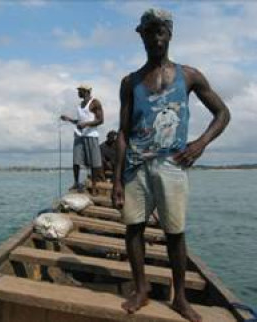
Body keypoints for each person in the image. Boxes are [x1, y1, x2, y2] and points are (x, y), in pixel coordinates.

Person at [111, 8, 230, 322]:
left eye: (160, 30)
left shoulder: (188, 75)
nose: (155, 37)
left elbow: (223, 114)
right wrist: (116, 180)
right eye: (149, 31)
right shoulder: (130, 82)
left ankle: (180, 297)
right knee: (133, 227)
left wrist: (199, 144)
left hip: (172, 165)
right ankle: (141, 289)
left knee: (175, 232)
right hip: (136, 165)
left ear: (170, 33)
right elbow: (122, 132)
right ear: (141, 36)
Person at [61, 84, 104, 194]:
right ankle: (76, 183)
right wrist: (69, 119)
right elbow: (79, 121)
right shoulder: (80, 105)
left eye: (80, 91)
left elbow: (100, 120)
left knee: (94, 162)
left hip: (91, 135)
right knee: (76, 161)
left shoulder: (95, 102)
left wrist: (86, 124)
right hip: (79, 135)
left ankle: (94, 186)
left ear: (86, 91)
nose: (78, 93)